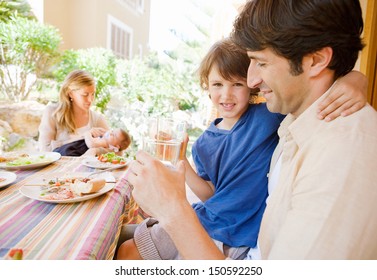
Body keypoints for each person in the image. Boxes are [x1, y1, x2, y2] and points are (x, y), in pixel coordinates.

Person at [118, 35, 369, 260]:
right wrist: (183, 159)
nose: (226, 95)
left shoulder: (267, 117)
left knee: (129, 253)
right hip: (205, 217)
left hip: (234, 234)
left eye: (236, 85)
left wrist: (357, 78)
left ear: (251, 88)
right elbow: (210, 193)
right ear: (207, 87)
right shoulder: (204, 142)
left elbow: (309, 96)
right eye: (218, 85)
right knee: (124, 248)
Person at [38, 70, 109, 156]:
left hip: (87, 169)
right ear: (70, 93)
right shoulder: (52, 113)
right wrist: (85, 137)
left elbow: (116, 150)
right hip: (60, 169)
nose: (90, 100)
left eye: (93, 94)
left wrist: (96, 150)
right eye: (85, 95)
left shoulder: (97, 119)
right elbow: (44, 150)